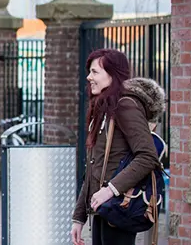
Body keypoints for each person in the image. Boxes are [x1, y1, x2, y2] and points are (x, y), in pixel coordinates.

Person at [70, 49, 163, 245]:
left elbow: (147, 156)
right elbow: (93, 168)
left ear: (112, 75)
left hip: (120, 206)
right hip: (104, 208)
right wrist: (79, 217)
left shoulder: (125, 106)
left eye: (95, 72)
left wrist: (111, 189)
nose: (89, 77)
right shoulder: (104, 108)